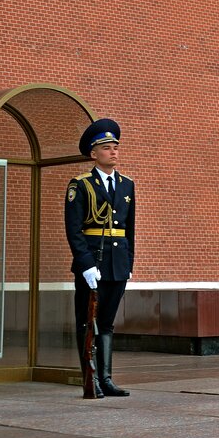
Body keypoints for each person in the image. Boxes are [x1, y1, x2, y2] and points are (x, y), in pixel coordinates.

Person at [65, 118, 136, 397]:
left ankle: (105, 378)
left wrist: (128, 263)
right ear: (94, 153)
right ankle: (90, 379)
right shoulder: (81, 185)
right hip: (92, 263)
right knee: (87, 322)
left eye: (115, 147)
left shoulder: (127, 185)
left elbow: (129, 229)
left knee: (106, 322)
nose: (113, 151)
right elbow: (74, 229)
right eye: (107, 148)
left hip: (117, 263)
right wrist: (85, 265)